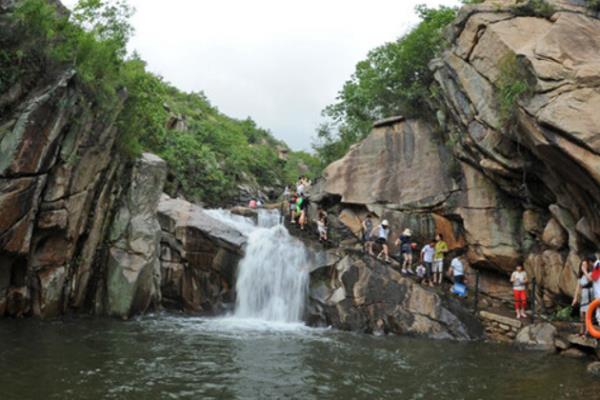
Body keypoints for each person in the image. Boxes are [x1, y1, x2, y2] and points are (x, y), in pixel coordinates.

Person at [572, 257, 595, 336]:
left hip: (590, 293)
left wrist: (584, 271)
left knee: (588, 313)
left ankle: (587, 331)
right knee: (581, 313)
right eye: (582, 265)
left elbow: (590, 280)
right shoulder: (581, 276)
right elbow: (577, 288)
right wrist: (575, 298)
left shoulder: (591, 273)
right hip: (584, 295)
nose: (584, 266)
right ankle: (581, 331)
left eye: (585, 265)